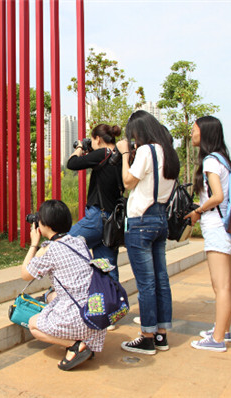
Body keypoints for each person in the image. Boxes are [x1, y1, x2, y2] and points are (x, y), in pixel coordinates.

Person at [116, 110, 180, 355]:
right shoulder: (169, 152)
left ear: (139, 131)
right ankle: (161, 335)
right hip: (160, 219)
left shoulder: (146, 151)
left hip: (141, 222)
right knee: (161, 280)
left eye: (132, 134)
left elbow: (127, 182)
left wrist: (124, 155)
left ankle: (146, 337)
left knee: (146, 283)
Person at [21, 200, 106, 371]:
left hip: (81, 318)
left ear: (46, 225)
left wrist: (33, 243)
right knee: (51, 295)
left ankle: (76, 345)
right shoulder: (79, 241)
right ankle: (84, 341)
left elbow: (25, 274)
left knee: (33, 325)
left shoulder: (49, 250)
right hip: (97, 314)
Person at [185, 116, 231, 352]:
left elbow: (217, 196)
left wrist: (197, 210)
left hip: (216, 227)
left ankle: (217, 339)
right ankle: (222, 329)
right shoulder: (222, 160)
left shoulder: (210, 162)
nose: (192, 133)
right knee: (225, 284)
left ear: (204, 133)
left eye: (194, 129)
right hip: (222, 226)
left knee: (221, 285)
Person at [66, 124, 124, 281]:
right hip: (112, 221)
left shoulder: (103, 153)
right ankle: (115, 303)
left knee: (63, 246)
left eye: (91, 140)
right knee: (108, 269)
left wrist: (79, 147)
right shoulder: (120, 156)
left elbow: (72, 163)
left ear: (98, 139)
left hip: (98, 217)